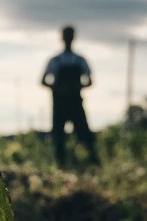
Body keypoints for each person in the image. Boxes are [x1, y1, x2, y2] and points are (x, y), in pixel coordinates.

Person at [41, 26, 99, 167]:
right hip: (60, 104)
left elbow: (90, 81)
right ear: (63, 37)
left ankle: (93, 163)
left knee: (84, 134)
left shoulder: (79, 60)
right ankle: (61, 165)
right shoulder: (55, 60)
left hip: (75, 103)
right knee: (58, 137)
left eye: (69, 35)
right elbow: (43, 81)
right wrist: (58, 89)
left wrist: (78, 88)